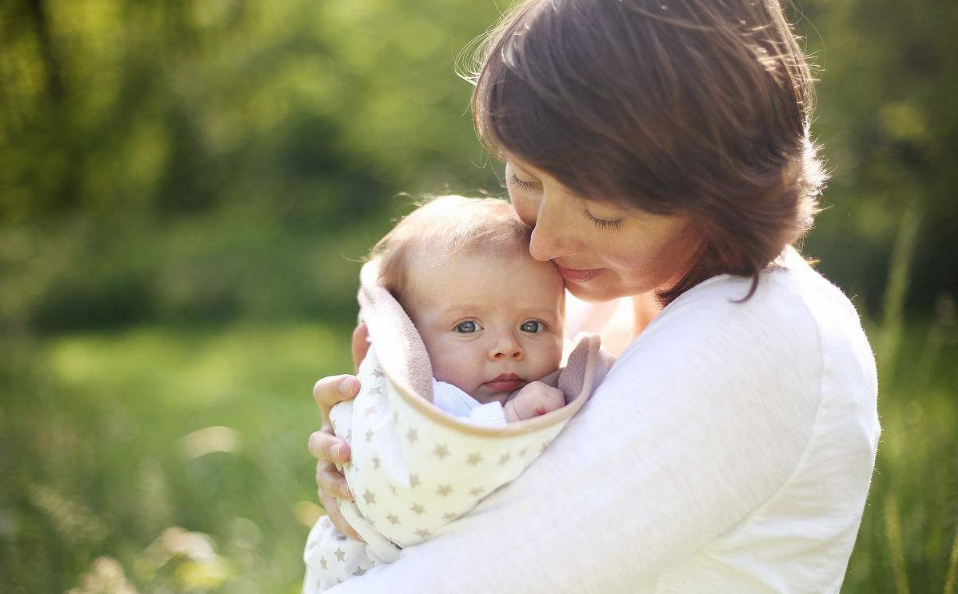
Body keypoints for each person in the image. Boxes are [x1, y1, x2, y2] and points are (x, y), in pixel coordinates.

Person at [307, 0, 881, 591]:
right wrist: (382, 458)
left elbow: (467, 578)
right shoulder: (578, 305)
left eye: (603, 215)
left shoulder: (760, 332)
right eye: (525, 180)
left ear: (720, 193)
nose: (543, 242)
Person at [304, 196, 609, 592]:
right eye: (467, 327)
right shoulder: (432, 403)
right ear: (409, 338)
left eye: (533, 326)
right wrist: (509, 421)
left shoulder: (556, 381)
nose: (507, 347)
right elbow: (429, 468)